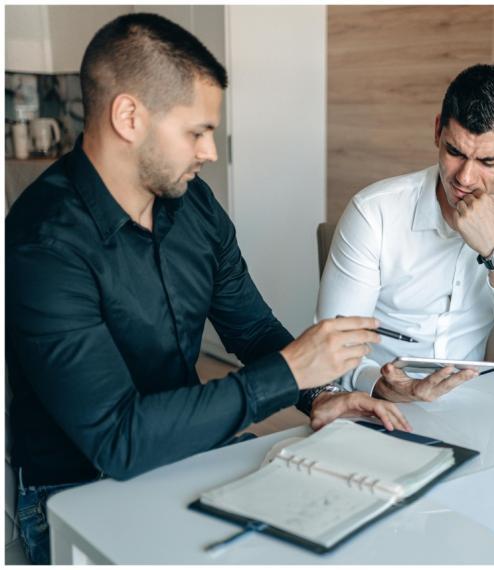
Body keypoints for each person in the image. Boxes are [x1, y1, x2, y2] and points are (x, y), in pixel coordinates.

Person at [5, 13, 408, 564]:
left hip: (190, 451)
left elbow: (252, 328)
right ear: (129, 116)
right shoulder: (41, 242)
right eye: (197, 132)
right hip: (75, 487)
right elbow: (117, 439)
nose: (211, 152)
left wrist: (321, 395)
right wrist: (290, 371)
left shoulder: (193, 205)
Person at [317, 64, 494, 403]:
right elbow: (330, 348)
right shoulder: (374, 211)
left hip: (474, 403)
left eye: (488, 162)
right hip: (376, 399)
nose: (464, 177)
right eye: (455, 152)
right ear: (438, 131)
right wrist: (379, 383)